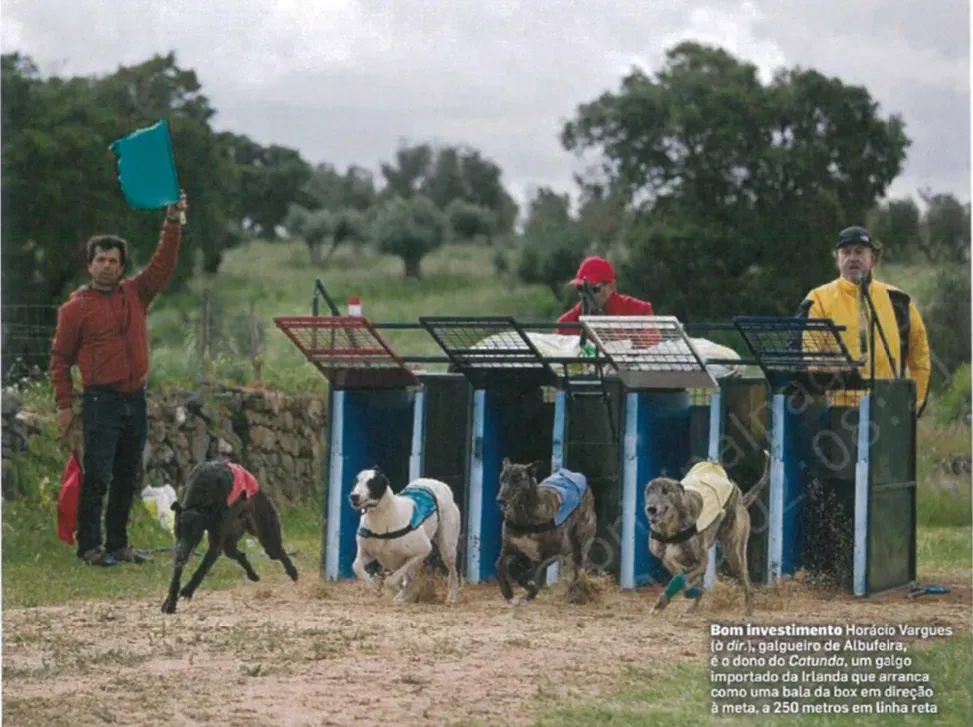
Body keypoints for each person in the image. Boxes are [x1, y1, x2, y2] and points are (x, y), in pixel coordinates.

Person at [51, 191, 188, 566]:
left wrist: (172, 221)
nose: (107, 266)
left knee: (128, 474)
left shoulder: (136, 294)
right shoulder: (75, 309)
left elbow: (162, 265)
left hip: (135, 397)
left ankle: (118, 545)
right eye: (101, 260)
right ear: (90, 265)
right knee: (97, 476)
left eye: (114, 261)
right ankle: (89, 547)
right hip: (100, 401)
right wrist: (64, 404)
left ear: (122, 265)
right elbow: (60, 359)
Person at [797, 225, 930, 415]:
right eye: (846, 252)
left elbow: (920, 356)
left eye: (859, 252)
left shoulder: (898, 301)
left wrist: (915, 404)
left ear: (873, 259)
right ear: (837, 259)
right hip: (837, 414)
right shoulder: (818, 299)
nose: (853, 258)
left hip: (888, 412)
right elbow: (810, 359)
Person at [555, 256, 655, 336]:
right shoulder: (566, 323)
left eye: (593, 289)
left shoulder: (640, 311)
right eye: (581, 288)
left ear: (611, 286)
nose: (585, 295)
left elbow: (652, 341)